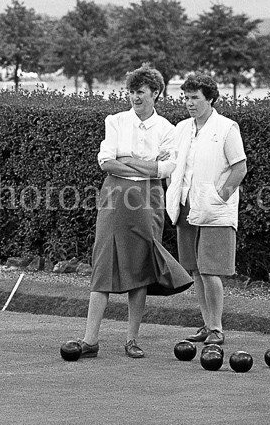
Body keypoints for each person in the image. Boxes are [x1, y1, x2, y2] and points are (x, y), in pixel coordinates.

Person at [76, 64, 192, 359]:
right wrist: (146, 163)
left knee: (140, 267)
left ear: (156, 93)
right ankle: (90, 340)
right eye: (131, 91)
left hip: (150, 200)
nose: (134, 97)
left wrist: (130, 160)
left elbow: (165, 169)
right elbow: (106, 162)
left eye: (140, 92)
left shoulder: (168, 129)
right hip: (115, 196)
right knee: (104, 263)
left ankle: (131, 340)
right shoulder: (114, 121)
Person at [166, 74, 247, 346]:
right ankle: (207, 325)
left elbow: (239, 168)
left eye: (195, 98)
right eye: (186, 98)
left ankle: (217, 328)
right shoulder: (181, 129)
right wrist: (172, 188)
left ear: (210, 98)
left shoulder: (226, 128)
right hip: (186, 208)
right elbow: (172, 165)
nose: (189, 103)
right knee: (196, 271)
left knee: (210, 270)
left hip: (215, 211)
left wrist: (219, 197)